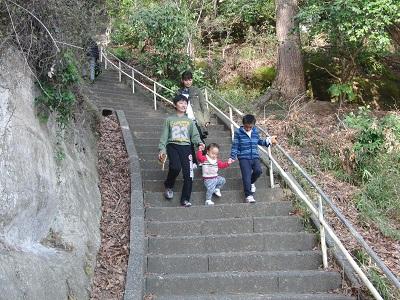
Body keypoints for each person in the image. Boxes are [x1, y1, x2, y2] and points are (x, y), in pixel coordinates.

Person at [158, 94, 205, 207]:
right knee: (175, 167)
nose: (183, 105)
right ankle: (169, 185)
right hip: (172, 145)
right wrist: (162, 148)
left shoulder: (190, 121)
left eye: (185, 103)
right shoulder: (169, 120)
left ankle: (185, 199)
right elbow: (164, 136)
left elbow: (194, 135)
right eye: (181, 102)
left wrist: (199, 143)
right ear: (175, 105)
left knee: (188, 174)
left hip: (186, 147)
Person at [229, 114, 277, 203]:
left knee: (258, 171)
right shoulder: (238, 132)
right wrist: (233, 156)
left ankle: (251, 182)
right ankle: (248, 195)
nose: (248, 129)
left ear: (253, 125)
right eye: (246, 127)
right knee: (246, 176)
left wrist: (269, 141)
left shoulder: (255, 131)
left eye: (250, 127)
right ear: (243, 124)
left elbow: (259, 141)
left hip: (254, 156)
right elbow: (235, 145)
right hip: (243, 157)